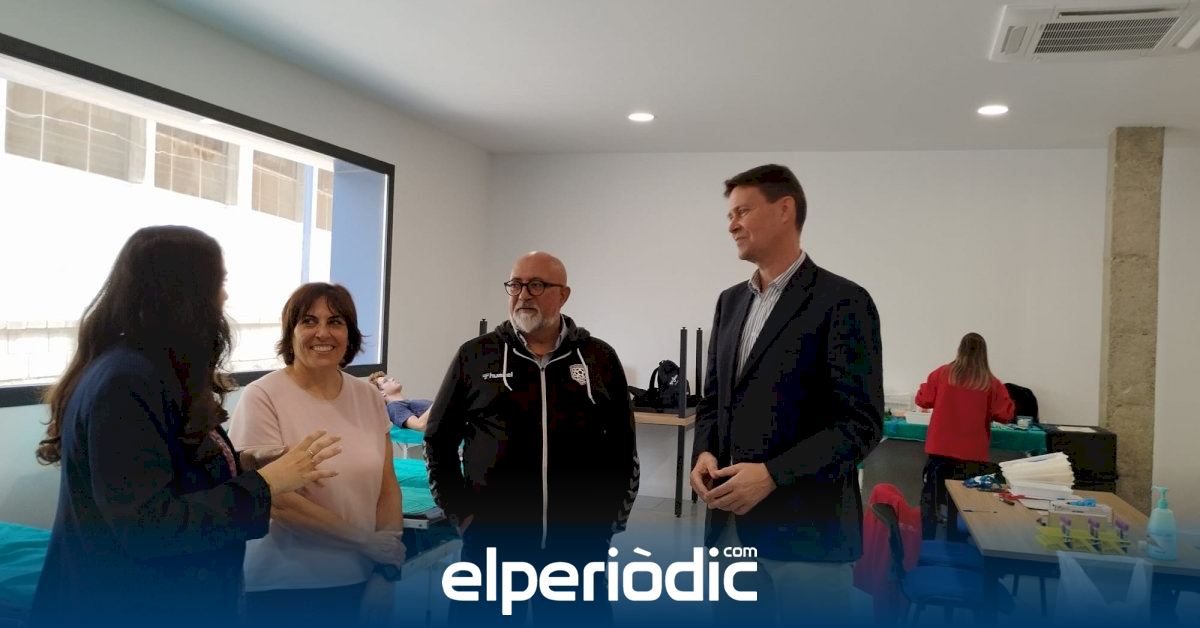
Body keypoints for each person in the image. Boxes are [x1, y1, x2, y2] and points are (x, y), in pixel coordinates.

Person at [31, 226, 341, 628]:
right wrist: (267, 484)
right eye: (218, 284)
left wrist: (244, 462)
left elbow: (169, 467)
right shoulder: (125, 382)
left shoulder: (153, 371)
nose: (224, 297)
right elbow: (146, 525)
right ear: (181, 294)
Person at [689, 164, 883, 624]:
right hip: (729, 530)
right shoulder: (729, 302)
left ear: (784, 210)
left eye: (742, 211)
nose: (732, 225)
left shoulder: (843, 301)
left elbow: (860, 424)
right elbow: (714, 399)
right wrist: (704, 452)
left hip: (807, 535)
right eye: (729, 215)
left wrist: (773, 474)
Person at [425, 251, 639, 626]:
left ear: (564, 295)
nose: (523, 294)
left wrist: (607, 521)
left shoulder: (599, 358)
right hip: (491, 543)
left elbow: (623, 447)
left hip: (577, 545)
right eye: (515, 285)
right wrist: (462, 514)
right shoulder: (476, 356)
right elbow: (438, 439)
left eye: (537, 285)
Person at [229, 283, 406, 625]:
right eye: (309, 321)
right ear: (291, 333)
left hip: (361, 577)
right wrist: (364, 541)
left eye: (335, 322)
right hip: (286, 586)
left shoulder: (368, 397)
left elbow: (387, 488)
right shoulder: (262, 396)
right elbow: (277, 500)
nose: (322, 333)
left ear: (349, 335)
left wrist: (386, 569)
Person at [914, 332, 1015, 539]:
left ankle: (927, 541)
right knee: (965, 505)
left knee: (932, 499)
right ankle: (958, 542)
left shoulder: (942, 374)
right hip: (972, 459)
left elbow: (923, 400)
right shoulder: (991, 383)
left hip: (940, 454)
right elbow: (1006, 414)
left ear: (959, 350)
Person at [368, 371, 432, 431]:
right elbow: (420, 425)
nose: (392, 379)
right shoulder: (394, 407)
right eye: (385, 381)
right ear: (381, 393)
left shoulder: (410, 402)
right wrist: (437, 404)